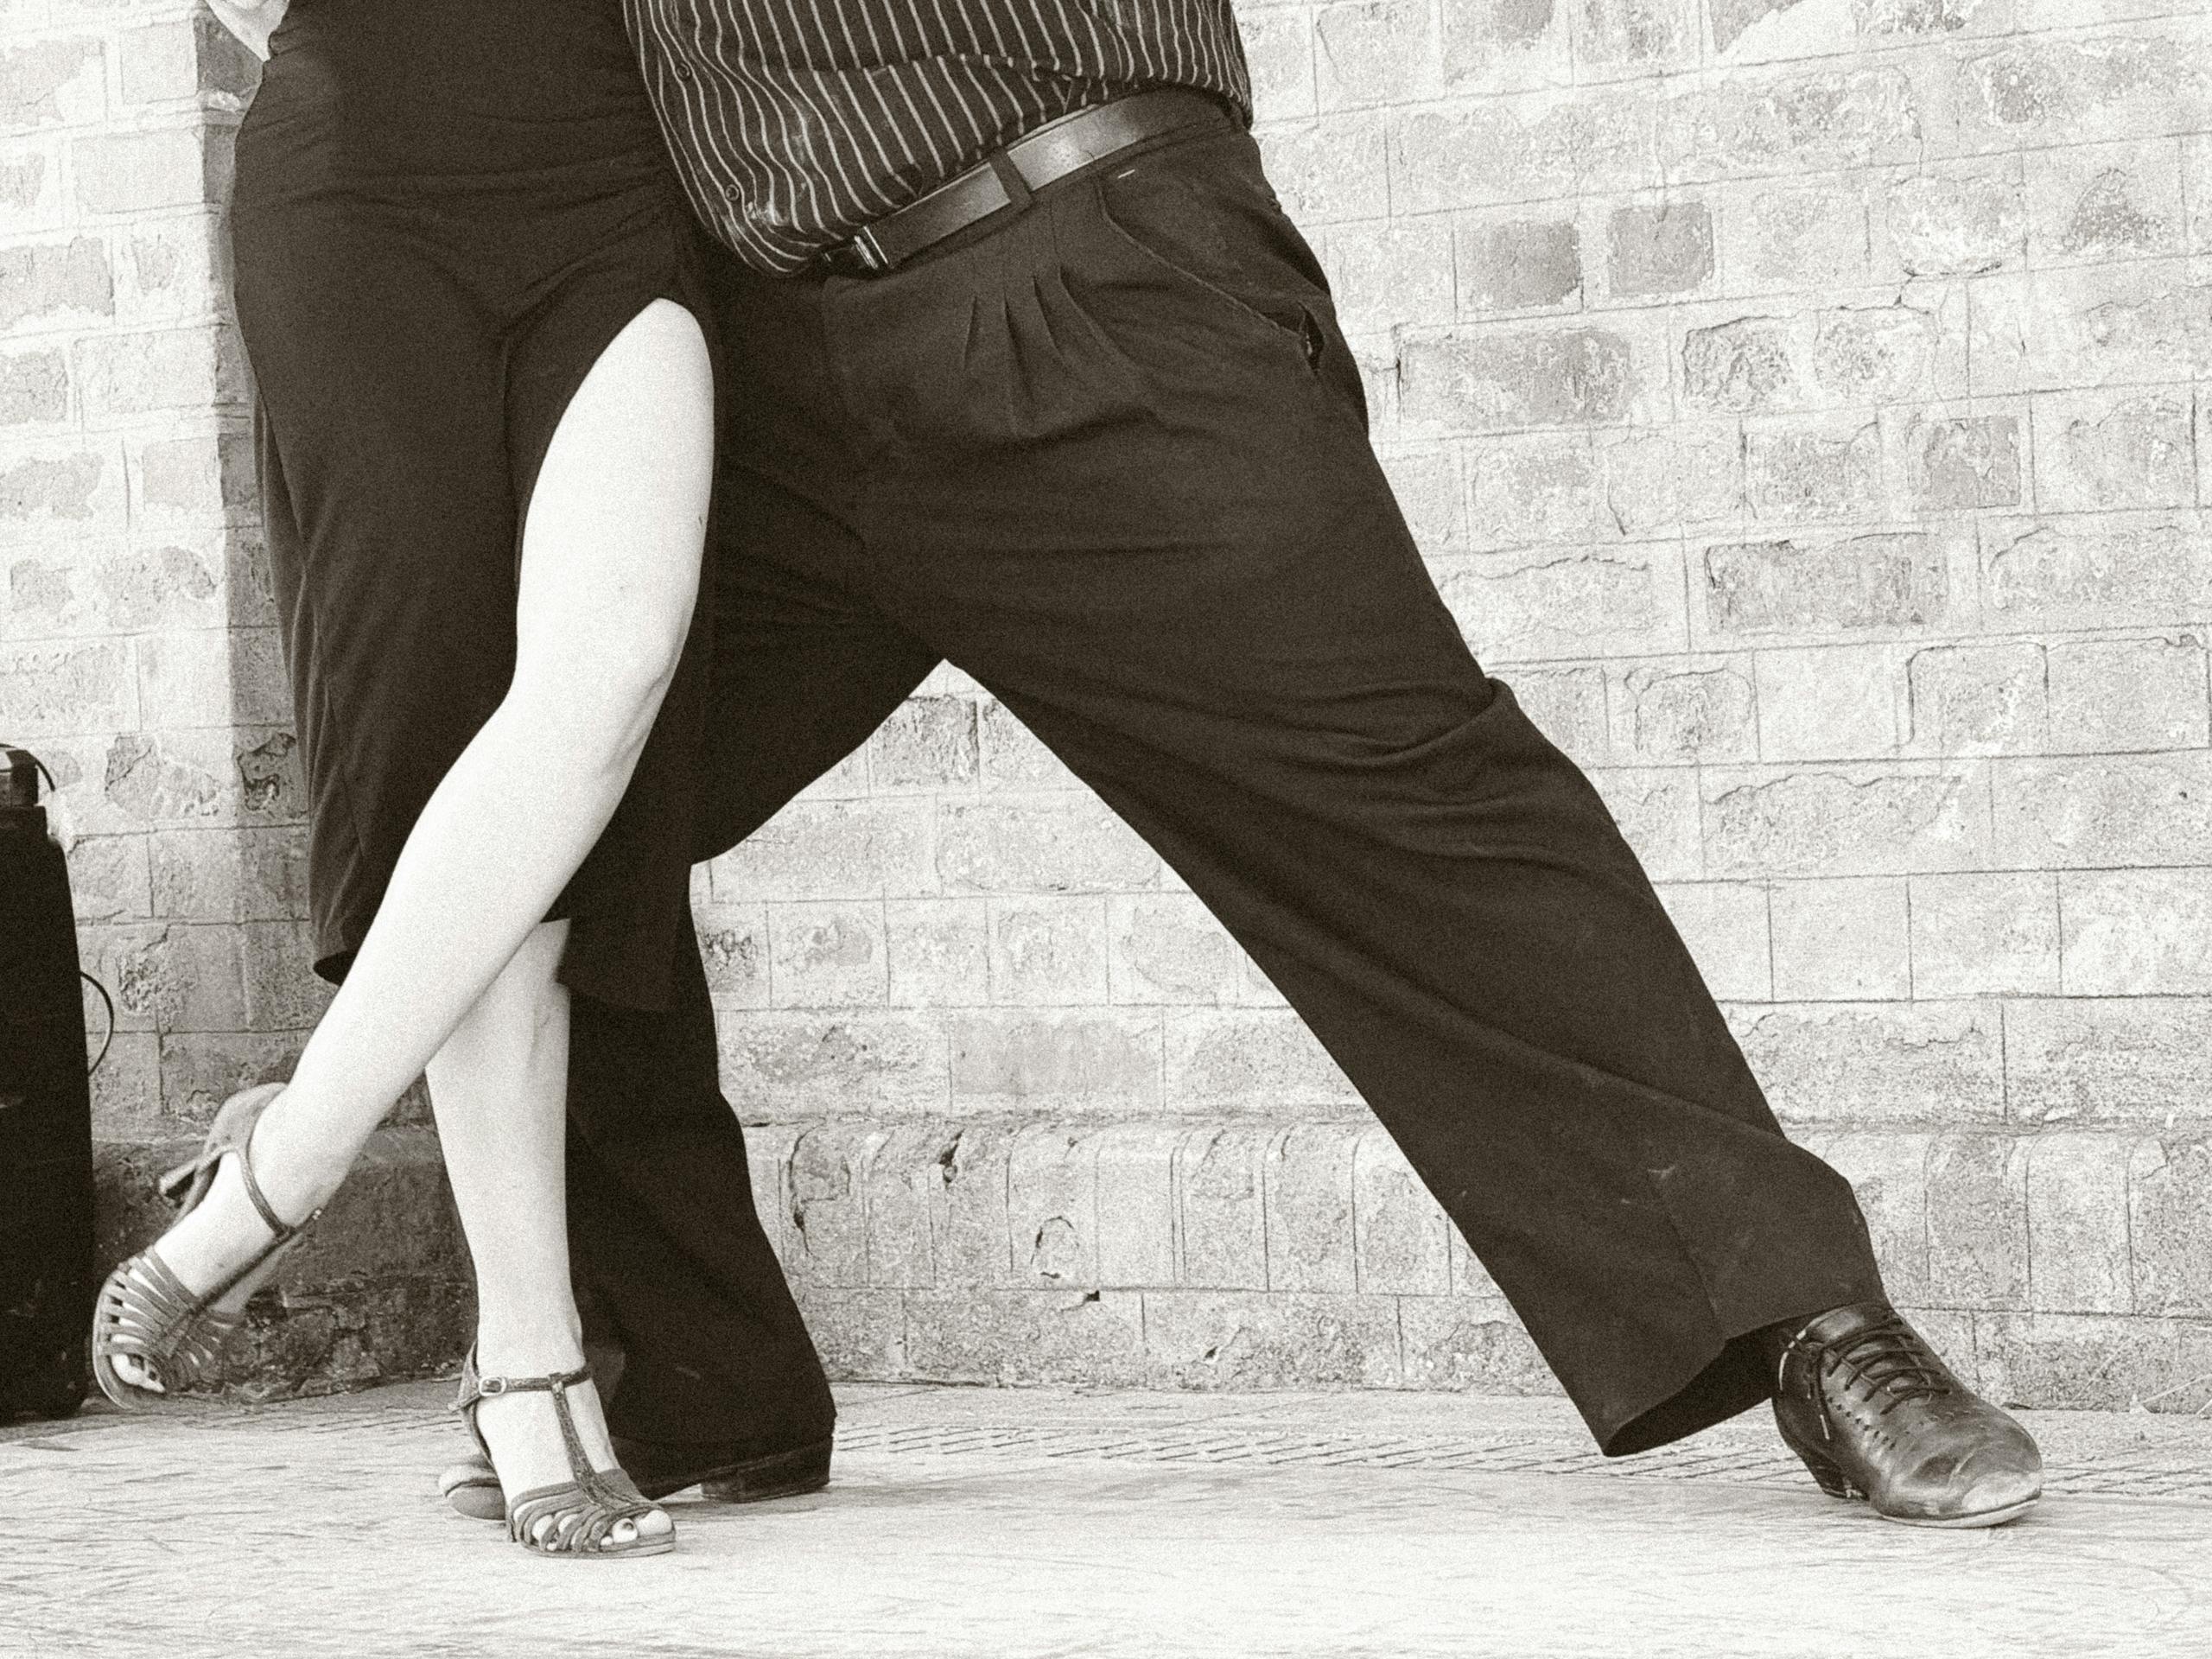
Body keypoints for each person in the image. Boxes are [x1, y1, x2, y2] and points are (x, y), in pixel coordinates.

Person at [445, 0, 2046, 1532]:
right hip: (761, 374)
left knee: (1420, 792)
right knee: (538, 827)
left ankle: (1817, 1327)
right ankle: (697, 1390)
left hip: (1082, 272)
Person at [91, 0, 721, 1558]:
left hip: (612, 176)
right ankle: (530, 1365)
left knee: (614, 668)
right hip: (362, 171)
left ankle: (288, 1158)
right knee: (452, 739)